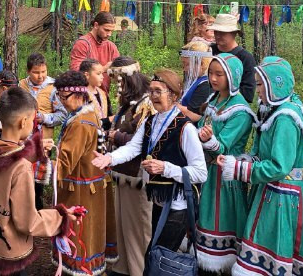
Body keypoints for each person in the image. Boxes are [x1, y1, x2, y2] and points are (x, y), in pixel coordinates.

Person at [218, 56, 303, 276]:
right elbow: (263, 154)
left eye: (260, 84)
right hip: (272, 192)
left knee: (278, 251)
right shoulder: (274, 111)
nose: (257, 90)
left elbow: (280, 166)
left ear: (274, 85)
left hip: (283, 197)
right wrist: (244, 161)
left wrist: (239, 169)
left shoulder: (285, 118)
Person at [93, 69, 207, 257]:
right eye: (151, 91)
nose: (153, 96)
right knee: (155, 256)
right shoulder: (151, 122)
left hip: (178, 206)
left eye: (158, 91)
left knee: (161, 258)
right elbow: (133, 148)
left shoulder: (185, 128)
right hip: (159, 201)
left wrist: (165, 168)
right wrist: (109, 158)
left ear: (174, 95)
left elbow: (201, 173)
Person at [0, 86, 74, 276]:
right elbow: (27, 222)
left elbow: (8, 156)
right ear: (24, 121)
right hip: (10, 251)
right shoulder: (21, 167)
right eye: (33, 120)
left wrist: (34, 149)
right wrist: (61, 217)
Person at [194, 53, 256, 273]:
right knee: (206, 217)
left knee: (222, 221)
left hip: (225, 177)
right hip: (208, 173)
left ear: (233, 76)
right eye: (211, 73)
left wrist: (207, 139)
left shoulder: (241, 111)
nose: (213, 78)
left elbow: (223, 146)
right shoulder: (214, 100)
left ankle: (223, 265)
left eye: (219, 74)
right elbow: (201, 128)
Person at [53, 70, 115, 276]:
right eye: (59, 97)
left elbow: (65, 162)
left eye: (64, 97)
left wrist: (38, 167)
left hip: (80, 192)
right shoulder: (87, 113)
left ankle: (81, 269)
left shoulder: (80, 123)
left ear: (79, 94)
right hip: (89, 185)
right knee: (89, 234)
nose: (62, 102)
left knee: (80, 236)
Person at [107, 70, 154, 276]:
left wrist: (116, 136)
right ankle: (123, 267)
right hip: (122, 173)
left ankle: (140, 270)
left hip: (137, 175)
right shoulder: (129, 105)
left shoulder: (146, 105)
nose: (116, 87)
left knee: (139, 228)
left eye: (119, 82)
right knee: (123, 225)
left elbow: (144, 142)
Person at [19, 52, 66, 210]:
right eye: (36, 72)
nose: (40, 76)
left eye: (43, 72)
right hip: (23, 142)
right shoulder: (21, 86)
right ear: (28, 71)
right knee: (23, 176)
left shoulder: (53, 88)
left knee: (38, 181)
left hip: (43, 143)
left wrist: (44, 118)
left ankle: (37, 210)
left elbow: (62, 115)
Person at [209, 13, 256, 103]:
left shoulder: (246, 58)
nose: (218, 35)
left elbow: (248, 93)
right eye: (216, 31)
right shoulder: (209, 51)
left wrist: (223, 92)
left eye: (222, 33)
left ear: (234, 33)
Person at [69, 12, 120, 92]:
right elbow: (76, 73)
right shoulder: (82, 44)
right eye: (106, 30)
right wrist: (103, 69)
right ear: (96, 25)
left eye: (111, 31)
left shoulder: (111, 46)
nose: (109, 34)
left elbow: (120, 70)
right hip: (84, 95)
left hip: (103, 95)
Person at [177, 40, 213, 123]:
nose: (184, 69)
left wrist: (169, 104)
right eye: (183, 64)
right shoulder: (196, 81)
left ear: (202, 64)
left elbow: (194, 115)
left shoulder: (206, 85)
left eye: (187, 64)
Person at [80, 58, 111, 126]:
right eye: (98, 74)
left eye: (102, 73)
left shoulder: (102, 93)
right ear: (87, 75)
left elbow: (108, 114)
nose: (102, 77)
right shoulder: (81, 95)